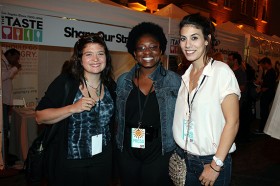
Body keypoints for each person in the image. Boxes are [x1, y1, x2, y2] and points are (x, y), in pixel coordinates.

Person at [35, 33, 116, 186]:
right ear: (79, 59)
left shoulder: (111, 86)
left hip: (102, 159)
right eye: (89, 54)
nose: (96, 59)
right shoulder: (66, 83)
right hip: (70, 162)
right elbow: (40, 116)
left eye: (100, 53)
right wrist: (72, 108)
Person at [173, 13, 241, 186]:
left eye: (194, 38)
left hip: (211, 162)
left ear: (206, 40)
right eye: (183, 38)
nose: (187, 45)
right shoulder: (186, 76)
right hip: (186, 160)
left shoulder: (221, 72)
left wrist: (216, 165)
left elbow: (232, 122)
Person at [115, 22, 181, 186]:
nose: (147, 52)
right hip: (128, 150)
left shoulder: (174, 80)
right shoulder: (123, 80)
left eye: (153, 47)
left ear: (161, 50)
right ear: (134, 53)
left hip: (160, 150)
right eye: (141, 48)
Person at [1, 48, 21, 167]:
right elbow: (2, 77)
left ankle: (7, 154)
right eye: (16, 57)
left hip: (6, 101)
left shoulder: (6, 63)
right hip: (2, 102)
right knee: (4, 129)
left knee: (6, 128)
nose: (17, 60)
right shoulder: (1, 62)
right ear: (9, 54)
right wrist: (15, 68)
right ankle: (4, 158)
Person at [227, 52, 249, 142]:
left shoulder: (240, 72)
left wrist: (228, 89)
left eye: (230, 59)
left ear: (235, 60)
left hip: (238, 101)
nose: (228, 61)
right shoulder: (230, 70)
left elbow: (242, 88)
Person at [257, 57, 277, 133]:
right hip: (268, 94)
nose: (261, 66)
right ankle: (263, 128)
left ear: (266, 63)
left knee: (264, 112)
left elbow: (267, 86)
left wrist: (259, 90)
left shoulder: (271, 72)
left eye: (262, 64)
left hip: (267, 95)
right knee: (264, 111)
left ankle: (262, 129)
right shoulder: (270, 72)